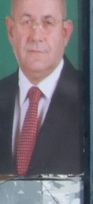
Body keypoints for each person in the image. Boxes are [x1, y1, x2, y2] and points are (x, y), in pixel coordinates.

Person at [0, 0, 82, 176]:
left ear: (65, 32)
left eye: (47, 23)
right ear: (11, 30)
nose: (36, 36)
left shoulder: (87, 98)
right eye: (27, 22)